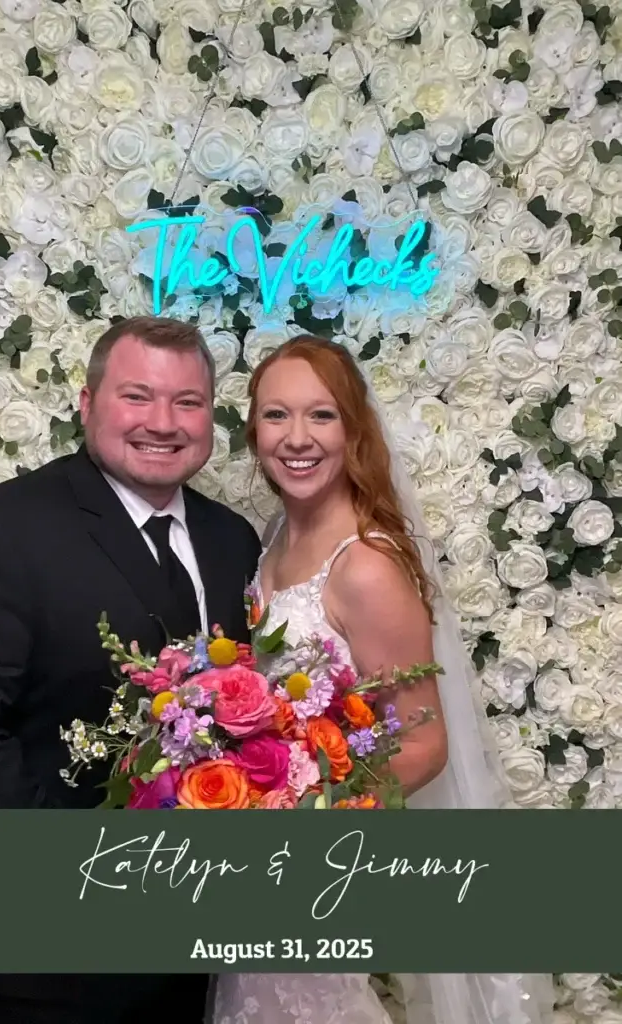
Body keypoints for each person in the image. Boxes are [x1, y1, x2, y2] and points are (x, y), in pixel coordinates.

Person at [209, 334, 556, 1024]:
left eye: (321, 415)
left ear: (354, 429)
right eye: (276, 415)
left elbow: (424, 745)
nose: (296, 438)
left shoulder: (364, 563)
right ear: (253, 428)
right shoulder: (276, 533)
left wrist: (306, 823)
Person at [0, 316, 261, 1024]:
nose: (163, 422)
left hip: (192, 965)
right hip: (36, 973)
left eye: (187, 402)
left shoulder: (231, 539)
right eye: (137, 396)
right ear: (86, 405)